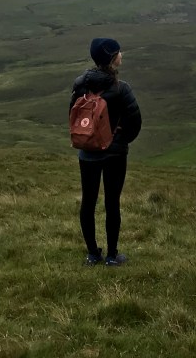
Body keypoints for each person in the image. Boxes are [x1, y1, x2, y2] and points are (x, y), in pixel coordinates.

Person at [70, 38, 142, 267]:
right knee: (112, 202)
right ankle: (112, 256)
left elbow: (73, 117)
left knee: (88, 202)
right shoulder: (122, 88)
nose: (122, 55)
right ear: (112, 58)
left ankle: (92, 254)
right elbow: (135, 121)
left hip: (88, 153)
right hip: (115, 154)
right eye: (119, 53)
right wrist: (120, 141)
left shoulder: (81, 83)